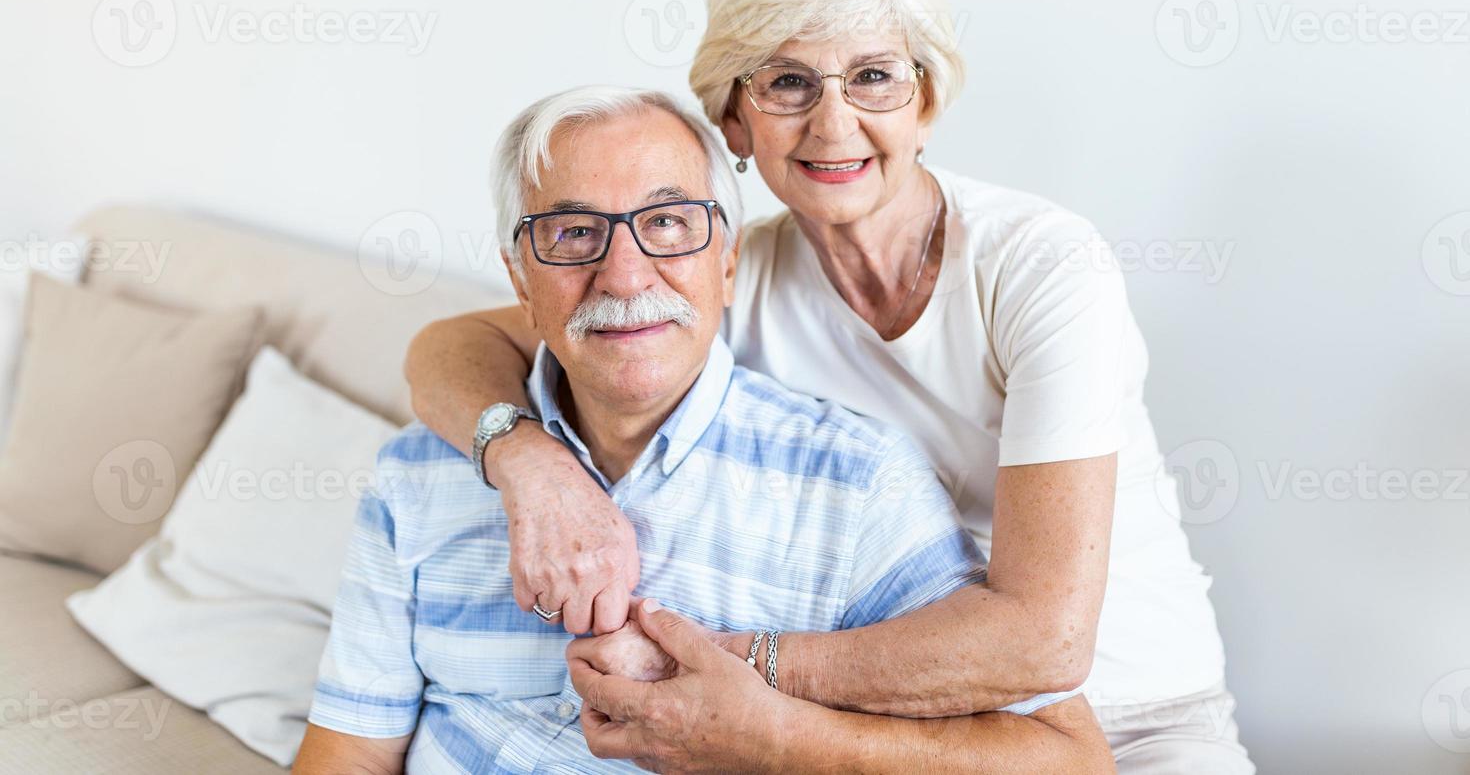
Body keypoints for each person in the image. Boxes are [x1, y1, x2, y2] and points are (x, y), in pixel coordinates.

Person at [404, 0, 1254, 772]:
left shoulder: (1040, 265)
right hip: (897, 723)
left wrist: (734, 674)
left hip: (1134, 719)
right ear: (734, 120)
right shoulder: (724, 274)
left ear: (926, 103)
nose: (833, 123)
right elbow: (449, 348)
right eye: (787, 83)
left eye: (875, 77)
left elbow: (1045, 644)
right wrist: (531, 468)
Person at [294, 86, 1113, 774]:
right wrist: (527, 466)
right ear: (518, 277)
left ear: (728, 258)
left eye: (670, 223)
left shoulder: (855, 485)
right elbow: (352, 752)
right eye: (574, 234)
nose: (623, 274)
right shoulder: (419, 470)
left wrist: (774, 733)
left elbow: (1067, 761)